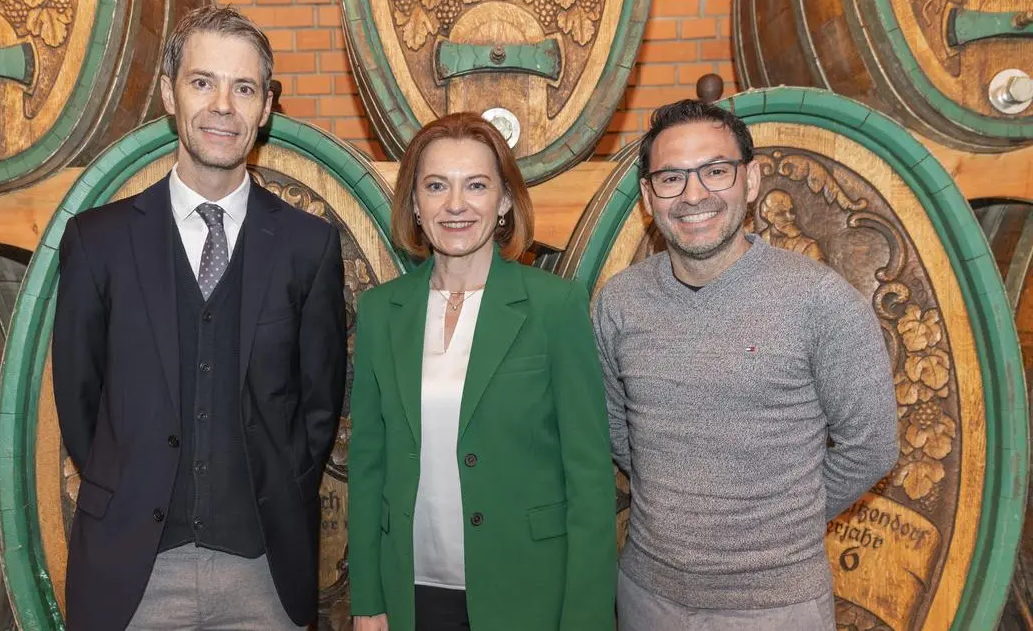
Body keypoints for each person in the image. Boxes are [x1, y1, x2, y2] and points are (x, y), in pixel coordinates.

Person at [52, 5, 347, 631]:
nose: (223, 105)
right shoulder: (97, 242)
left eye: (244, 88)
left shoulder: (307, 246)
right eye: (202, 81)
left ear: (265, 107)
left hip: (263, 575)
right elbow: (79, 403)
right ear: (169, 93)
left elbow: (318, 408)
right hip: (130, 575)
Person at [592, 99, 898, 631]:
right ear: (648, 196)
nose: (693, 195)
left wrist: (782, 520)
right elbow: (616, 428)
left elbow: (872, 445)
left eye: (715, 171)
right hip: (648, 596)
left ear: (751, 180)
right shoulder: (620, 303)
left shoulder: (820, 300)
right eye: (670, 178)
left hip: (778, 606)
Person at [348, 113, 616, 631]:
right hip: (411, 591)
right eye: (435, 186)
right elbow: (368, 465)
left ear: (505, 202)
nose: (455, 204)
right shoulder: (383, 310)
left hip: (529, 589)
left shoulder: (555, 306)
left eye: (476, 185)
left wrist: (586, 618)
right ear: (415, 205)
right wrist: (368, 598)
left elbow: (588, 480)